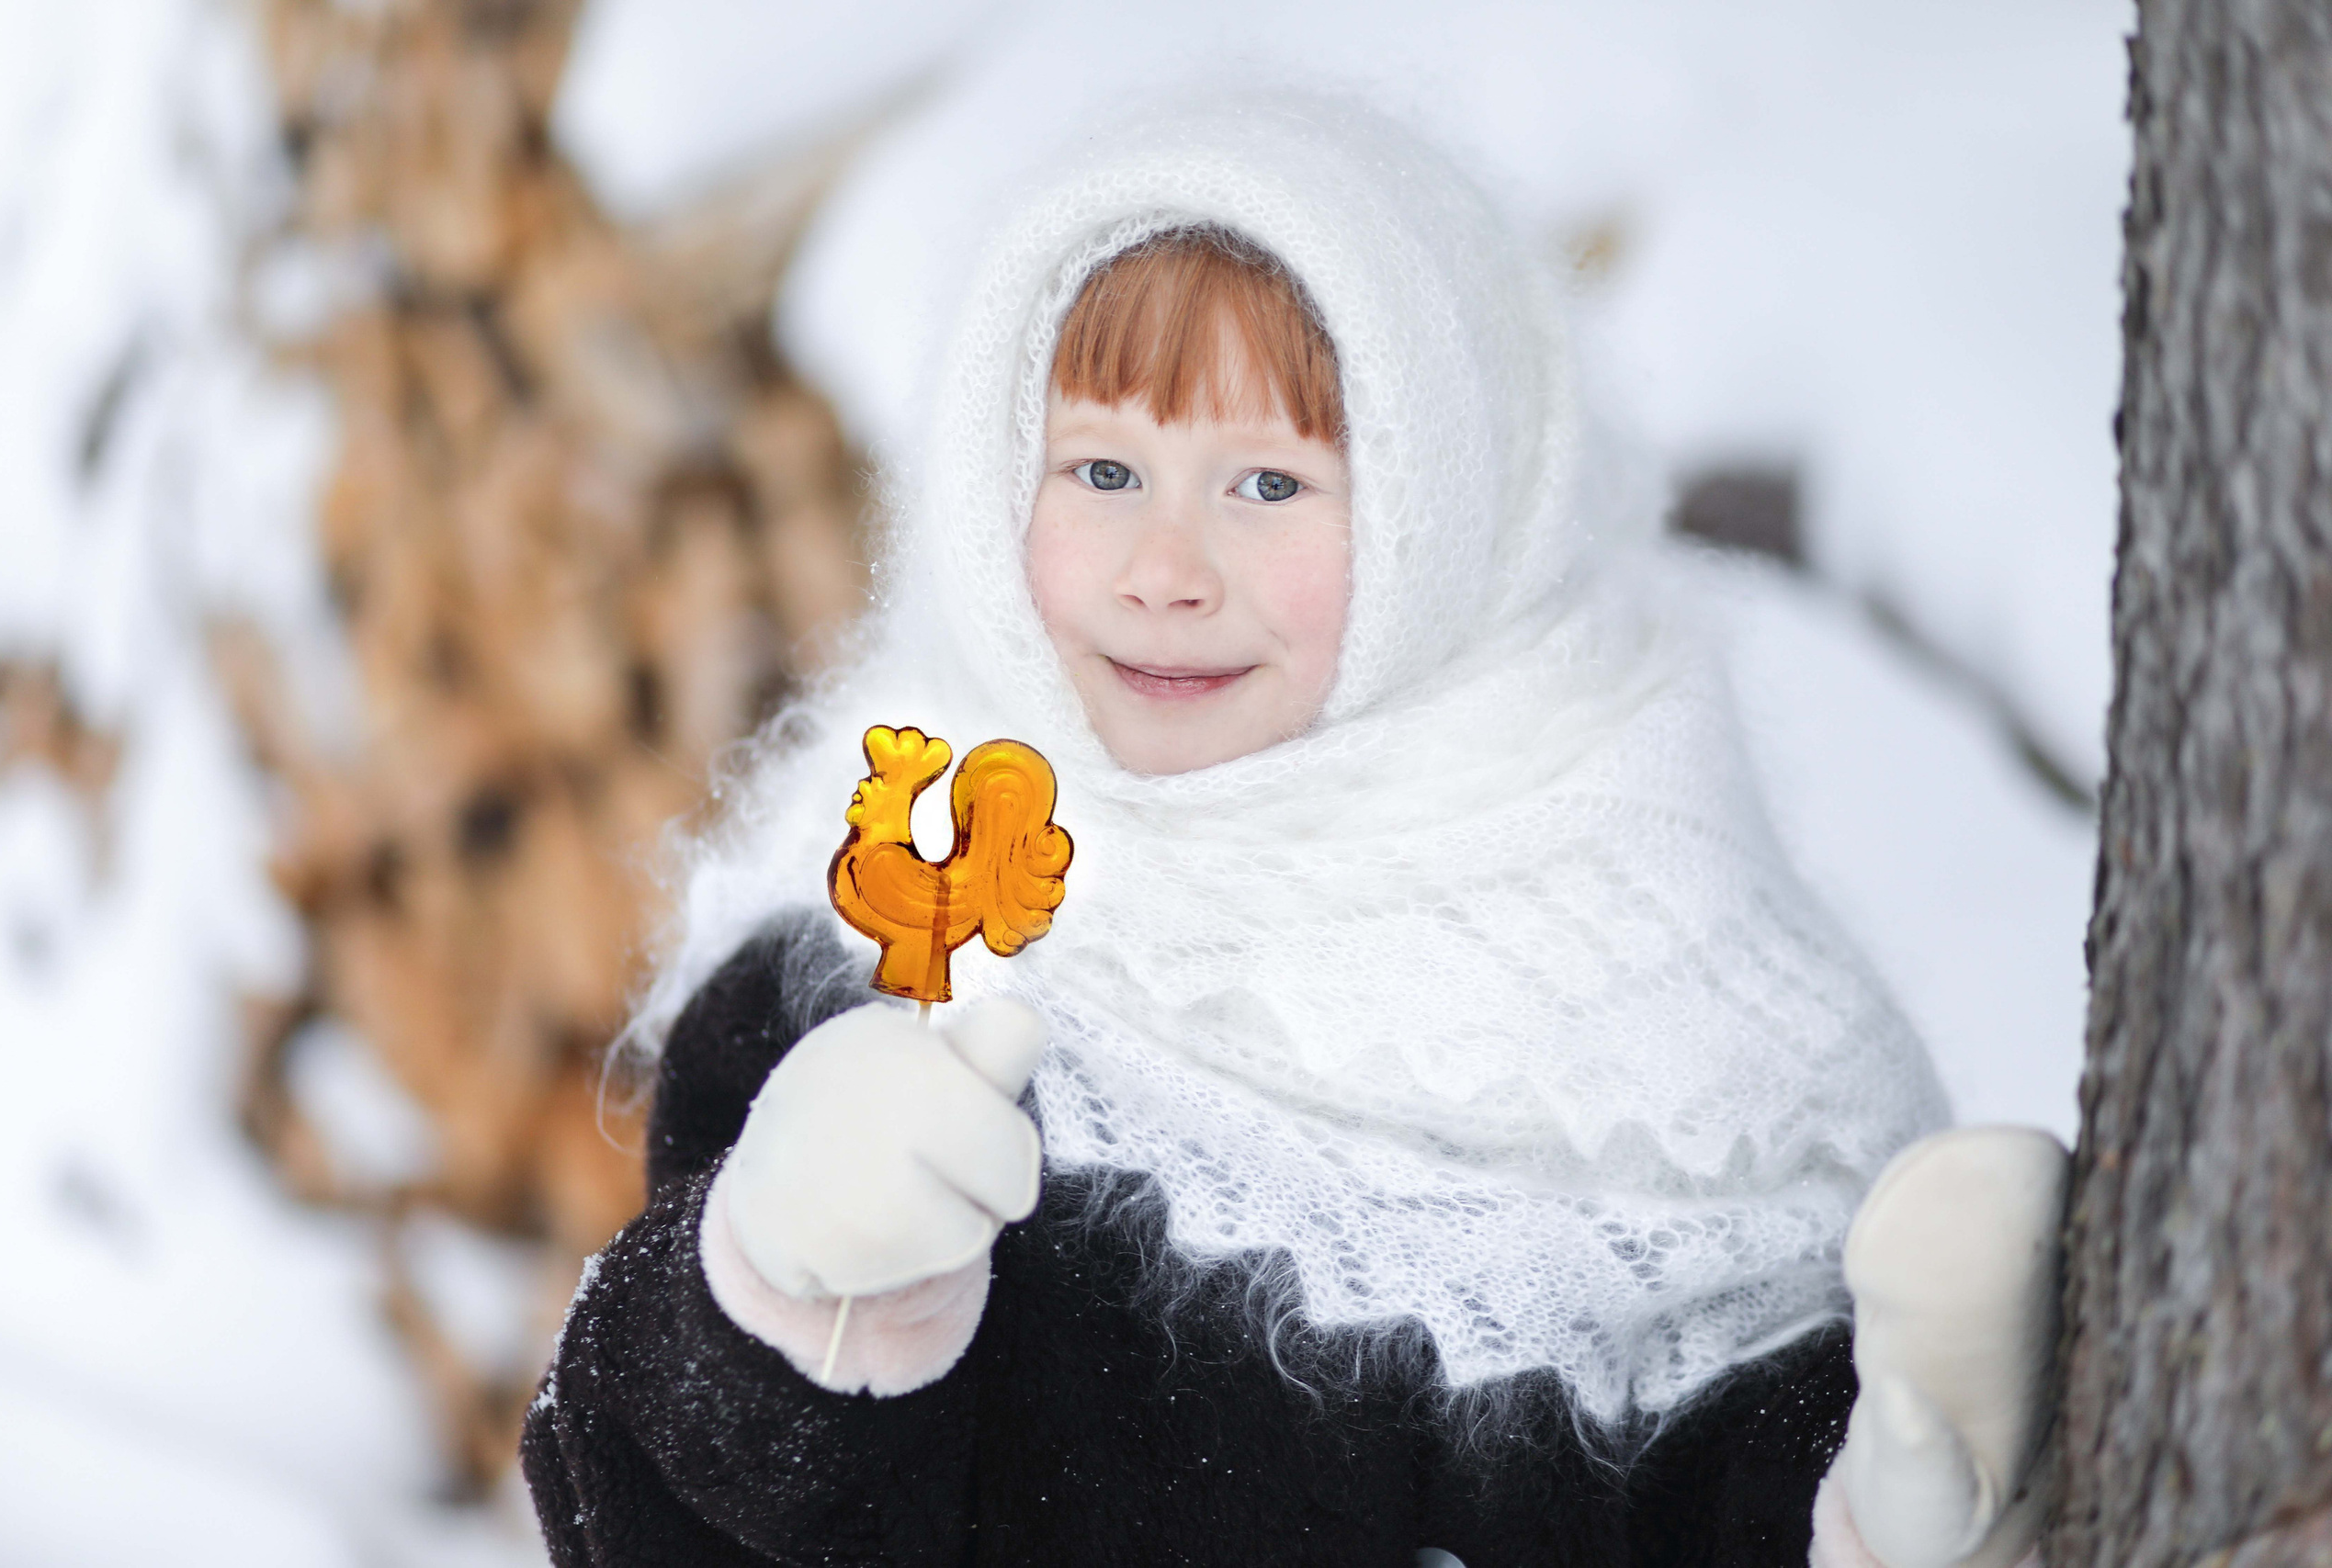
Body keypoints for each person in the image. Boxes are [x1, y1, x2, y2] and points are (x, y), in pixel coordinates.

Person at [522, 94, 2064, 1568]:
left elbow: (1708, 1481)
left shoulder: (1665, 982)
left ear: (1446, 505)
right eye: (1105, 469)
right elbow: (643, 1529)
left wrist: (1871, 1499)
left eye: (1269, 483)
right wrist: (776, 1310)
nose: (1165, 569)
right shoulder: (890, 920)